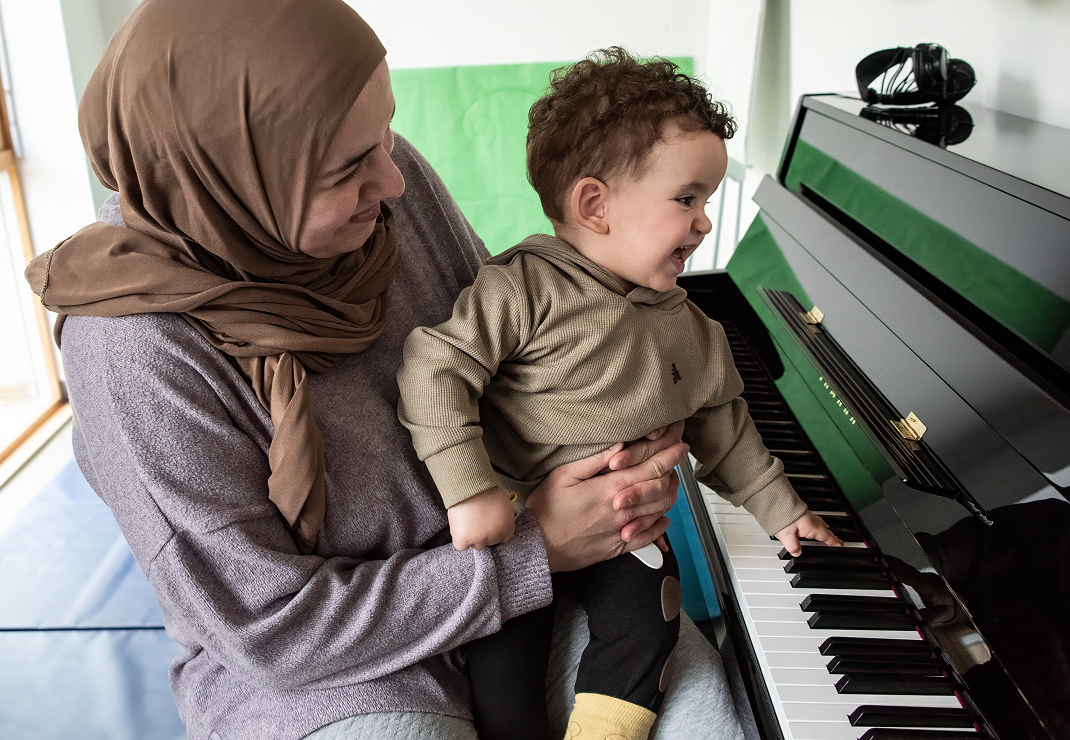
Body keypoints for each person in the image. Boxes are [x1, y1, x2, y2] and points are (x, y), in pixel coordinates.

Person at [24, 1, 747, 739]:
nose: (393, 179)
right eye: (347, 167)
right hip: (334, 666)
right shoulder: (133, 349)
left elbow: (514, 364)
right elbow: (274, 632)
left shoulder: (387, 181)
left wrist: (617, 432)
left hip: (525, 565)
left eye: (385, 132)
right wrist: (534, 552)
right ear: (238, 178)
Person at [397, 49, 842, 740]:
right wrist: (468, 490)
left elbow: (722, 419)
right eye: (687, 199)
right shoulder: (522, 289)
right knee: (502, 663)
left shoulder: (690, 322)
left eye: (707, 202)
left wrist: (782, 511)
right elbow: (435, 367)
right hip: (516, 518)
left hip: (626, 527)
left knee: (650, 632)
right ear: (594, 205)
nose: (702, 223)